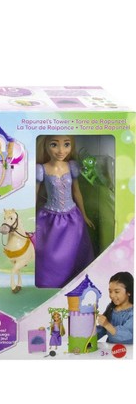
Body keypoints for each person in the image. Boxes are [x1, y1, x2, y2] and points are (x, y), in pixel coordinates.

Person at [35, 135, 94, 288]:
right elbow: (34, 194)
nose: (61, 150)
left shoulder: (72, 166)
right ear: (46, 146)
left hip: (72, 218)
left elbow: (76, 192)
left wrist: (84, 215)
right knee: (49, 255)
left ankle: (75, 284)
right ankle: (50, 284)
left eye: (66, 144)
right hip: (50, 219)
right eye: (54, 145)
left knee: (75, 252)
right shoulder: (41, 169)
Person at [97, 272, 133, 344]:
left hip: (128, 349)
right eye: (110, 291)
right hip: (111, 349)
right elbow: (102, 329)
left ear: (129, 292)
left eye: (117, 292)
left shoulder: (132, 313)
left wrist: (107, 324)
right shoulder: (111, 308)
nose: (112, 295)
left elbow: (128, 336)